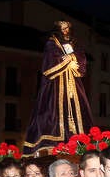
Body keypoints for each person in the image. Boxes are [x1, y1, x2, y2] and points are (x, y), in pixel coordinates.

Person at [23, 21, 94, 156]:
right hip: (55, 85)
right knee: (51, 112)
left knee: (78, 111)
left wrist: (73, 58)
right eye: (62, 28)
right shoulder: (52, 43)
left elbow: (81, 58)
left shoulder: (75, 44)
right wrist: (67, 60)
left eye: (67, 28)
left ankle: (78, 143)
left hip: (73, 85)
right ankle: (52, 145)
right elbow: (50, 61)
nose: (65, 31)